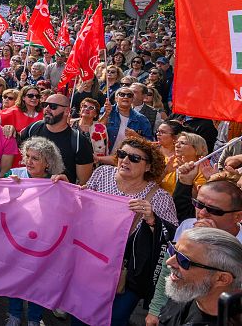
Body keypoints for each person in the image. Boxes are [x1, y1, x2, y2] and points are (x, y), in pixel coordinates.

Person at [74, 138, 178, 326]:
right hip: (91, 262)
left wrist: (153, 220)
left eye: (134, 158)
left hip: (128, 272)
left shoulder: (160, 197)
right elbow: (81, 208)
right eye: (122, 154)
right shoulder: (102, 173)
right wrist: (66, 189)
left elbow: (173, 239)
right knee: (81, 314)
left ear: (148, 167)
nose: (125, 160)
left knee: (115, 319)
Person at [146, 175, 242, 324]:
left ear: (237, 216)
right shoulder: (187, 225)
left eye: (214, 210)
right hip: (175, 310)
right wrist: (155, 309)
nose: (202, 213)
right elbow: (168, 269)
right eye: (198, 204)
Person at [4, 136, 66, 326]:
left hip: (43, 241)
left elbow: (68, 211)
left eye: (35, 158)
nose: (28, 162)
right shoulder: (14, 174)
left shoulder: (57, 183)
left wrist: (68, 186)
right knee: (15, 276)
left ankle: (34, 318)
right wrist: (8, 187)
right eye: (27, 156)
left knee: (38, 279)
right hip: (16, 238)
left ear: (48, 163)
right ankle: (14, 314)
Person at [158, 228, 242, 326]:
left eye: (183, 260)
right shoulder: (187, 291)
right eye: (173, 250)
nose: (169, 262)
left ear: (222, 278)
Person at [19, 94, 94, 184]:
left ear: (67, 111)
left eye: (53, 106)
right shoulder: (34, 127)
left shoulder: (79, 141)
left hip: (61, 195)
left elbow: (83, 183)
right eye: (44, 105)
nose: (46, 109)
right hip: (31, 191)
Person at [106, 86, 154, 153]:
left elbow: (150, 144)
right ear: (116, 98)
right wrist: (106, 114)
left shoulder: (141, 119)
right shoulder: (105, 111)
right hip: (104, 155)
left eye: (129, 95)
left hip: (128, 159)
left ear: (132, 99)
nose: (125, 97)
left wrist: (136, 136)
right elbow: (96, 128)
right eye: (122, 94)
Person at [72, 97, 109, 161]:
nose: (87, 109)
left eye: (91, 108)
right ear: (80, 110)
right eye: (84, 106)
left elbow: (106, 150)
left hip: (93, 164)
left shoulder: (102, 128)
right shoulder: (70, 124)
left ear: (95, 114)